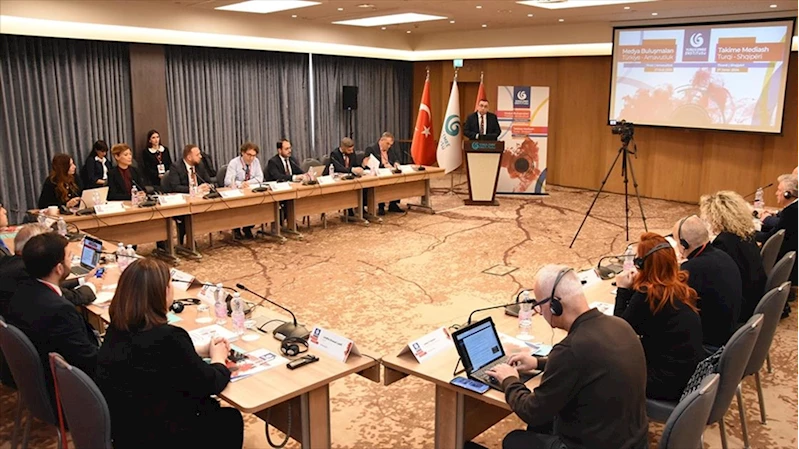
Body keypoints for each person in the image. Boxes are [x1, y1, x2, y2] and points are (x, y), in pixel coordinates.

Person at [484, 265, 648, 449]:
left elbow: (532, 412)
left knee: (514, 440)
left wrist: (509, 380)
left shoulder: (570, 349)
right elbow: (588, 364)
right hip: (633, 443)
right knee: (546, 422)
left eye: (539, 305)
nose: (540, 312)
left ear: (554, 306)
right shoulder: (620, 325)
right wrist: (538, 362)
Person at [96, 258, 243, 449]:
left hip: (127, 432)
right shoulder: (170, 337)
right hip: (164, 435)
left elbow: (154, 358)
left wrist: (197, 350)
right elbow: (210, 383)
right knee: (229, 419)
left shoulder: (117, 328)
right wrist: (218, 359)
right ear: (163, 292)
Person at [5, 232, 100, 408]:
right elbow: (89, 361)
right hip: (69, 395)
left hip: (34, 383)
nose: (71, 259)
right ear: (59, 268)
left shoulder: (22, 291)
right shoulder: (60, 311)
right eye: (69, 257)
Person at [614, 233, 704, 401]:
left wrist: (622, 290)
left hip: (665, 382)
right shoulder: (678, 286)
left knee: (604, 367)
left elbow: (619, 331)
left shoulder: (648, 295)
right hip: (687, 375)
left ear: (642, 264)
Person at [673, 215, 742, 349]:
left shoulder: (691, 269)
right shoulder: (722, 255)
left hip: (710, 343)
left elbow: (675, 306)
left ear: (684, 244)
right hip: (730, 331)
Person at [700, 190, 767, 322]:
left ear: (718, 218)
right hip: (754, 297)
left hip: (741, 307)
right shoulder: (746, 235)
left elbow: (717, 278)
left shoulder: (724, 242)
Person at [757, 174, 799, 309]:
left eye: (779, 190)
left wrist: (749, 233)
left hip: (784, 257)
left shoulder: (792, 212)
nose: (776, 193)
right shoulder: (792, 209)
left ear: (788, 194)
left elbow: (770, 237)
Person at [164, 144, 213, 246]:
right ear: (189, 157)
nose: (200, 156)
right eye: (197, 154)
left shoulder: (200, 165)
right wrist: (195, 189)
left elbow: (208, 181)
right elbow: (175, 187)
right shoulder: (176, 167)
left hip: (199, 200)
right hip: (182, 202)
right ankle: (185, 239)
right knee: (186, 215)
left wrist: (207, 186)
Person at [225, 142, 264, 239]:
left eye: (254, 155)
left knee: (257, 204)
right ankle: (236, 229)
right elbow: (227, 181)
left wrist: (248, 183)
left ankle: (248, 227)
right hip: (236, 193)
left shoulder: (256, 162)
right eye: (249, 155)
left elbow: (260, 178)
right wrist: (240, 184)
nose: (251, 158)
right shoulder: (234, 163)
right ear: (242, 152)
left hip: (250, 192)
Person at [365, 132, 403, 215]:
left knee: (398, 180)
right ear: (381, 140)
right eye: (387, 144)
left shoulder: (390, 149)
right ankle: (381, 206)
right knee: (381, 185)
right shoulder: (371, 149)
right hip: (377, 174)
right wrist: (384, 165)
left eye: (390, 145)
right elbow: (369, 164)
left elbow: (395, 158)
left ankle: (393, 204)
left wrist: (396, 163)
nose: (389, 146)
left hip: (389, 172)